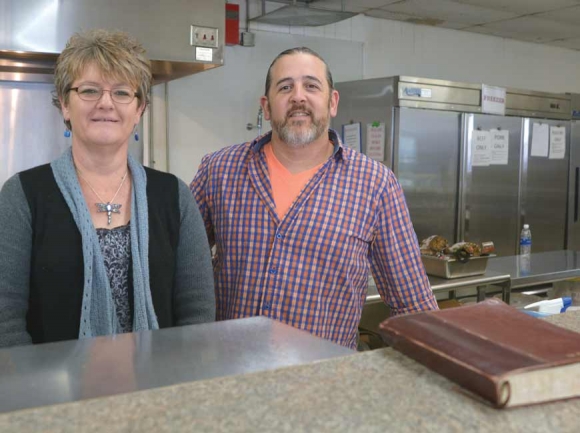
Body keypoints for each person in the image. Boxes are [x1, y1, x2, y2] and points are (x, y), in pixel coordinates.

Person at [191, 47, 438, 350]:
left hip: (323, 385)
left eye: (311, 86)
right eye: (285, 87)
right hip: (228, 376)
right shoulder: (219, 170)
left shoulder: (375, 185)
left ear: (332, 102)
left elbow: (413, 305)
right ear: (266, 107)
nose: (298, 97)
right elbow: (178, 269)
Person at [0, 30, 215, 348]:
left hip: (159, 388)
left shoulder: (174, 196)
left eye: (122, 93)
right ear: (65, 105)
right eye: (89, 90)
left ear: (139, 109)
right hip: (51, 394)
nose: (105, 103)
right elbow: (6, 323)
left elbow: (197, 319)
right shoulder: (22, 196)